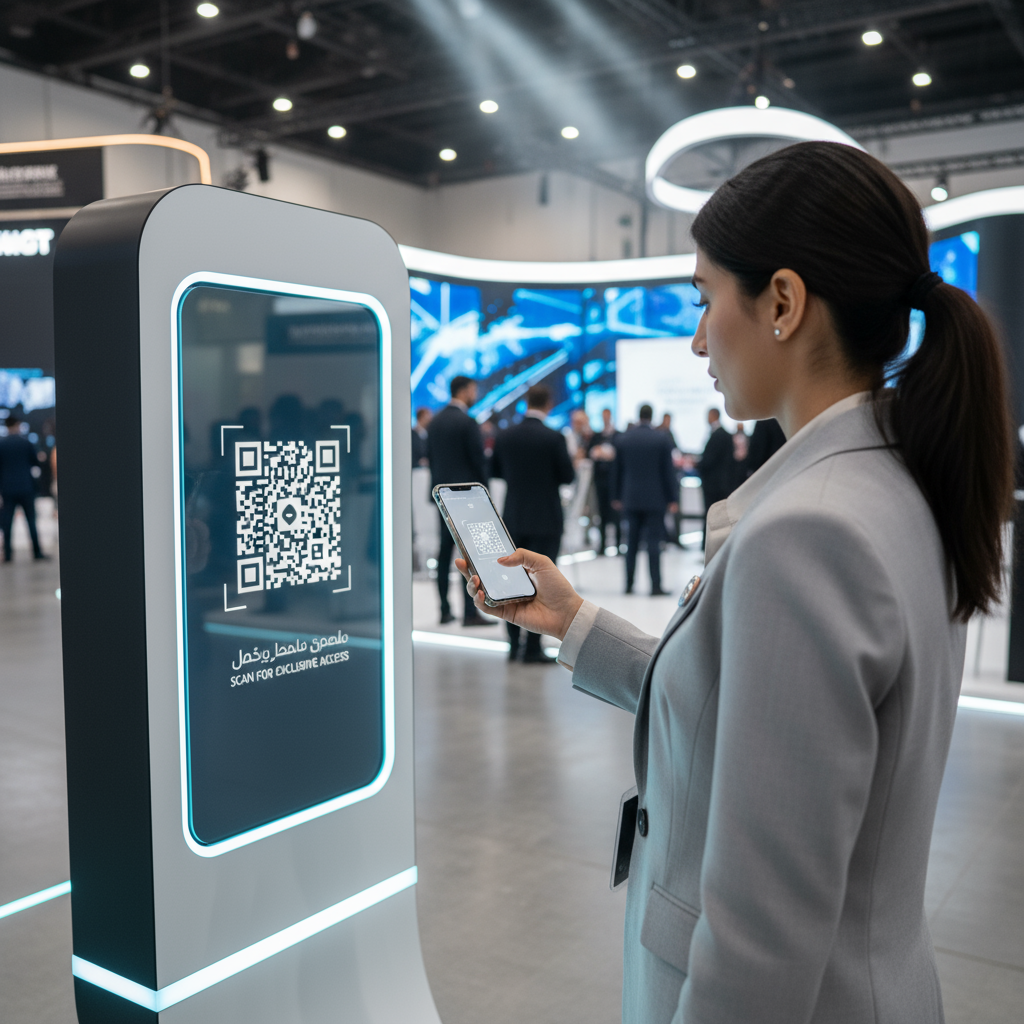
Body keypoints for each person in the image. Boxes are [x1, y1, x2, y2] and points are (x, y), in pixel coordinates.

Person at [457, 141, 1012, 1024]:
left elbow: (763, 938)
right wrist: (569, 618)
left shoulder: (809, 533)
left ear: (783, 303)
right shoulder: (898, 483)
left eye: (705, 298)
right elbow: (744, 707)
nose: (696, 335)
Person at [491, 385, 575, 662]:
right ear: (548, 403)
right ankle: (533, 647)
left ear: (527, 402)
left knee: (512, 581)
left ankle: (513, 644)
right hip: (546, 518)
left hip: (514, 516)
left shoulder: (506, 436)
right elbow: (567, 475)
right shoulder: (553, 437)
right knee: (543, 581)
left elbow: (496, 471)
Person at [427, 376, 491, 626]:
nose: (475, 394)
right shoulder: (467, 421)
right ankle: (470, 612)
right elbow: (478, 461)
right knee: (471, 557)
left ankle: (443, 610)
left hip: (442, 497)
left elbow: (431, 458)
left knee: (444, 553)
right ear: (464, 391)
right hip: (466, 499)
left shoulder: (435, 421)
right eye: (473, 390)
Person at [612, 404, 678, 595]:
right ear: (652, 416)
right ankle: (655, 585)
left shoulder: (624, 439)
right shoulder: (661, 439)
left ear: (638, 415)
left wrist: (616, 496)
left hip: (630, 498)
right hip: (655, 499)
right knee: (653, 543)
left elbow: (617, 470)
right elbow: (668, 471)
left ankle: (629, 584)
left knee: (630, 543)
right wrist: (672, 498)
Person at [0, 415, 47, 562]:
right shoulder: (25, 442)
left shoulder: (2, 444)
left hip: (7, 488)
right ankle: (37, 552)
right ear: (17, 425)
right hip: (26, 487)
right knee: (31, 521)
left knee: (7, 523)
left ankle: (8, 555)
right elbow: (35, 462)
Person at [695, 407, 734, 548]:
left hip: (714, 485)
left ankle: (709, 547)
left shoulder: (718, 435)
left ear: (713, 415)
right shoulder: (725, 434)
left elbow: (709, 460)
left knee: (713, 516)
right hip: (721, 483)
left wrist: (697, 464)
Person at [588, 408, 619, 554]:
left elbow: (618, 454)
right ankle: (602, 545)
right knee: (601, 513)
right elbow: (591, 452)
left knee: (616, 512)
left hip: (614, 481)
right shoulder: (597, 436)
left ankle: (618, 545)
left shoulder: (617, 435)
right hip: (600, 480)